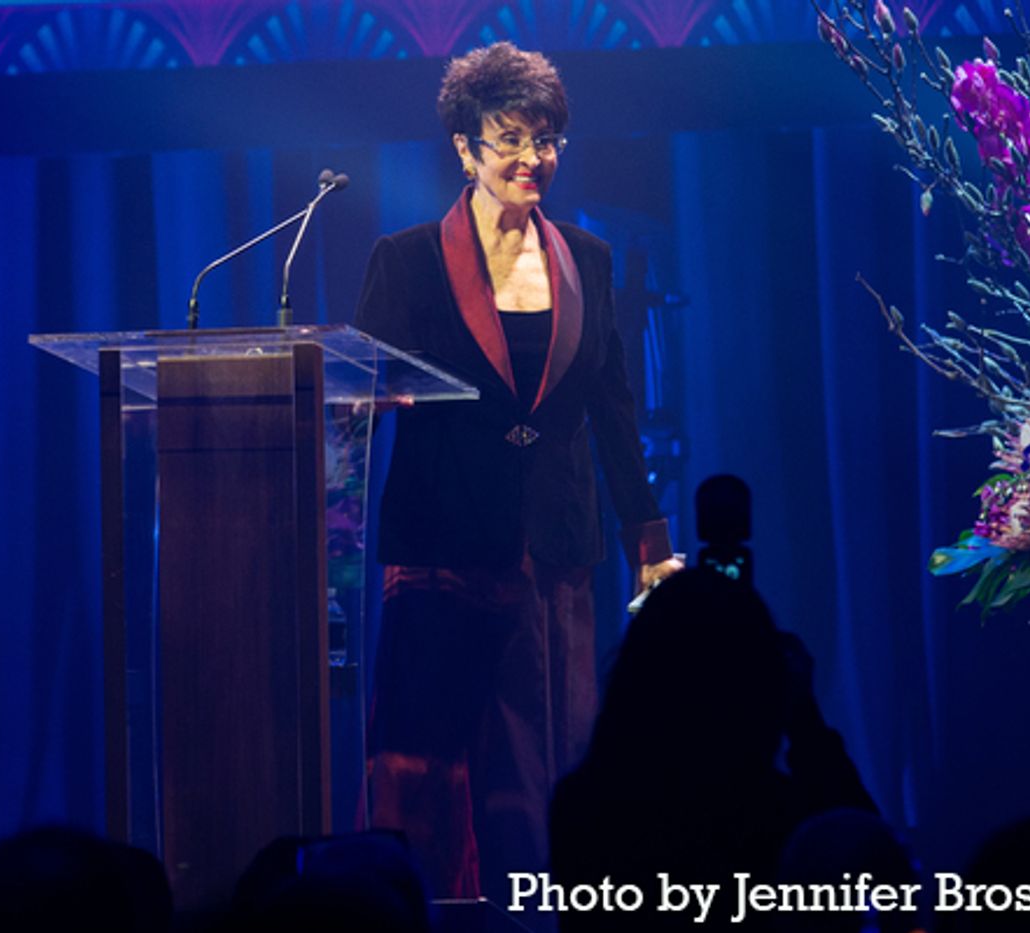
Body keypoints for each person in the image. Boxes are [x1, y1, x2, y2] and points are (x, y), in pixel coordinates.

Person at [353, 41, 681, 899]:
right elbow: (363, 405)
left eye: (548, 140)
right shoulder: (407, 260)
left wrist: (647, 541)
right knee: (436, 774)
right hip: (444, 554)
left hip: (555, 553)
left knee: (550, 763)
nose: (535, 158)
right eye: (512, 139)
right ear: (464, 148)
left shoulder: (591, 259)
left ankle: (552, 914)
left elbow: (615, 413)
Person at [548, 568, 879, 931]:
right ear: (762, 682)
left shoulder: (583, 810)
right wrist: (805, 719)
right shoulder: (779, 818)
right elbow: (870, 856)